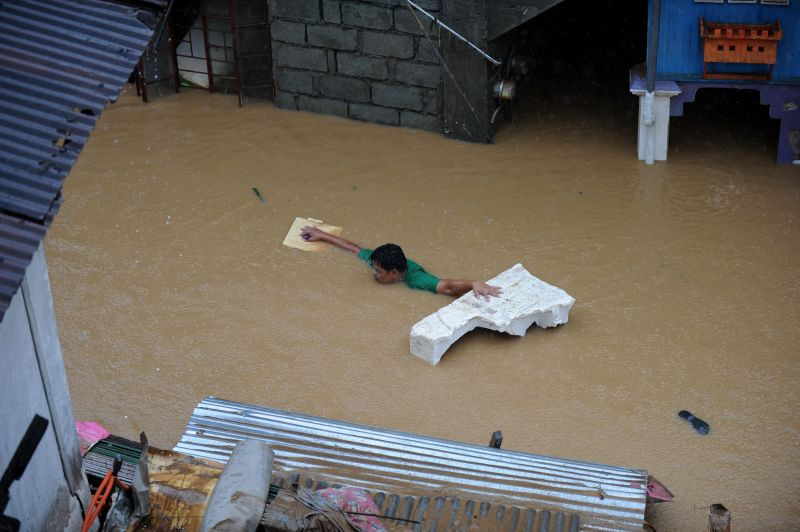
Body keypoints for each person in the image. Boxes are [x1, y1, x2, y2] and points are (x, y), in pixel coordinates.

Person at [301, 226, 502, 299]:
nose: (374, 273)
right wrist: (322, 235)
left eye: (379, 272)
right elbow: (352, 248)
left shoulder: (417, 280)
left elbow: (448, 287)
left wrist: (474, 283)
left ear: (395, 274)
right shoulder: (379, 260)